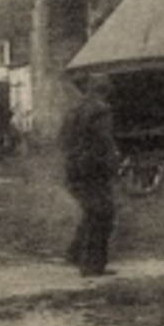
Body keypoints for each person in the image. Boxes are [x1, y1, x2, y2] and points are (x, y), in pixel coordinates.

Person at [63, 76, 118, 276]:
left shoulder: (74, 110)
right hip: (94, 167)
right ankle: (92, 265)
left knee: (91, 210)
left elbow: (63, 139)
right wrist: (113, 162)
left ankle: (75, 254)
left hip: (74, 167)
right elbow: (105, 140)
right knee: (103, 214)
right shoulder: (101, 110)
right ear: (104, 92)